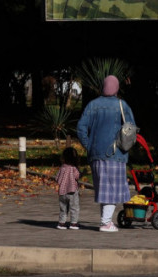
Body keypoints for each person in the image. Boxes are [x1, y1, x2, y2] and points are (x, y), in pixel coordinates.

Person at [76, 75, 135, 232]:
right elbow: (131, 128)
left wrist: (89, 146)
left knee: (104, 188)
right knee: (112, 190)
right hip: (116, 154)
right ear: (116, 88)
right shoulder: (122, 105)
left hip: (96, 155)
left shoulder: (92, 105)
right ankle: (106, 222)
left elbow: (81, 128)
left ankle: (105, 221)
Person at [55, 146, 81, 230]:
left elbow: (57, 178)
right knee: (74, 208)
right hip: (72, 191)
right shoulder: (73, 168)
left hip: (62, 192)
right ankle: (73, 223)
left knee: (63, 208)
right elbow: (77, 177)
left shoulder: (62, 167)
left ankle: (61, 223)